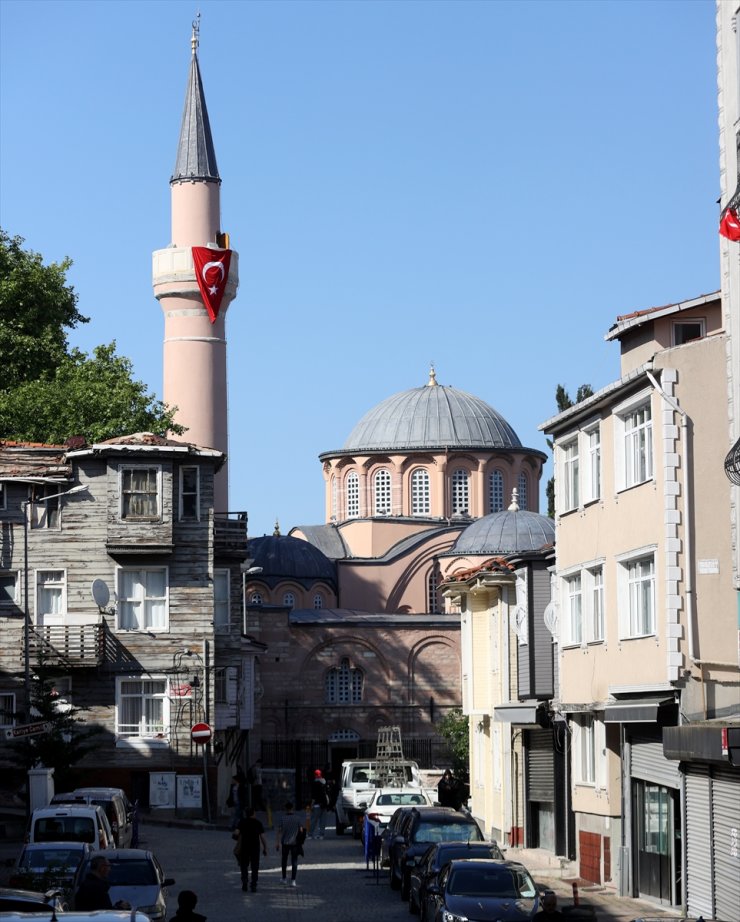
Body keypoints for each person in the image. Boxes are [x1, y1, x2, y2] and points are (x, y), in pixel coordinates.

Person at [236, 806, 268, 892]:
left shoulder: (242, 822)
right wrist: (265, 848)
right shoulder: (258, 823)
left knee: (244, 865)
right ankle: (253, 884)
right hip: (255, 848)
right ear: (253, 813)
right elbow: (262, 837)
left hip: (244, 847)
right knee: (254, 866)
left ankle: (245, 882)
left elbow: (236, 834)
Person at [275, 801, 304, 887]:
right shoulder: (297, 818)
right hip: (295, 843)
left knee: (284, 860)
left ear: (285, 808)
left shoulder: (282, 818)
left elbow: (279, 832)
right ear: (292, 808)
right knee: (294, 861)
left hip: (285, 842)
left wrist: (277, 843)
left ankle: (284, 878)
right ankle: (293, 880)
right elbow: (301, 830)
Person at [310, 768, 328, 839]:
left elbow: (314, 796)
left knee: (313, 820)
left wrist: (311, 804)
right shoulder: (324, 782)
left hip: (317, 804)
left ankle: (310, 834)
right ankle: (321, 835)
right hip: (324, 804)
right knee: (323, 820)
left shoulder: (315, 783)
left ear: (315, 775)